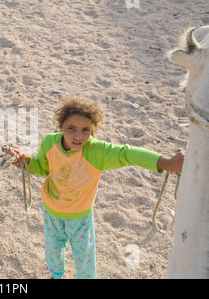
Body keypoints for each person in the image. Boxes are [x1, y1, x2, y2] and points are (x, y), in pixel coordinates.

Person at [10, 96, 184, 279]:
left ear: (92, 131)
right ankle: (56, 275)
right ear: (61, 127)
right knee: (53, 252)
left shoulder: (97, 151)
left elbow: (128, 154)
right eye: (71, 128)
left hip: (80, 218)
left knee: (84, 259)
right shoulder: (49, 142)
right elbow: (43, 168)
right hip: (51, 211)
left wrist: (166, 162)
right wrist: (25, 161)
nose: (78, 136)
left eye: (85, 130)